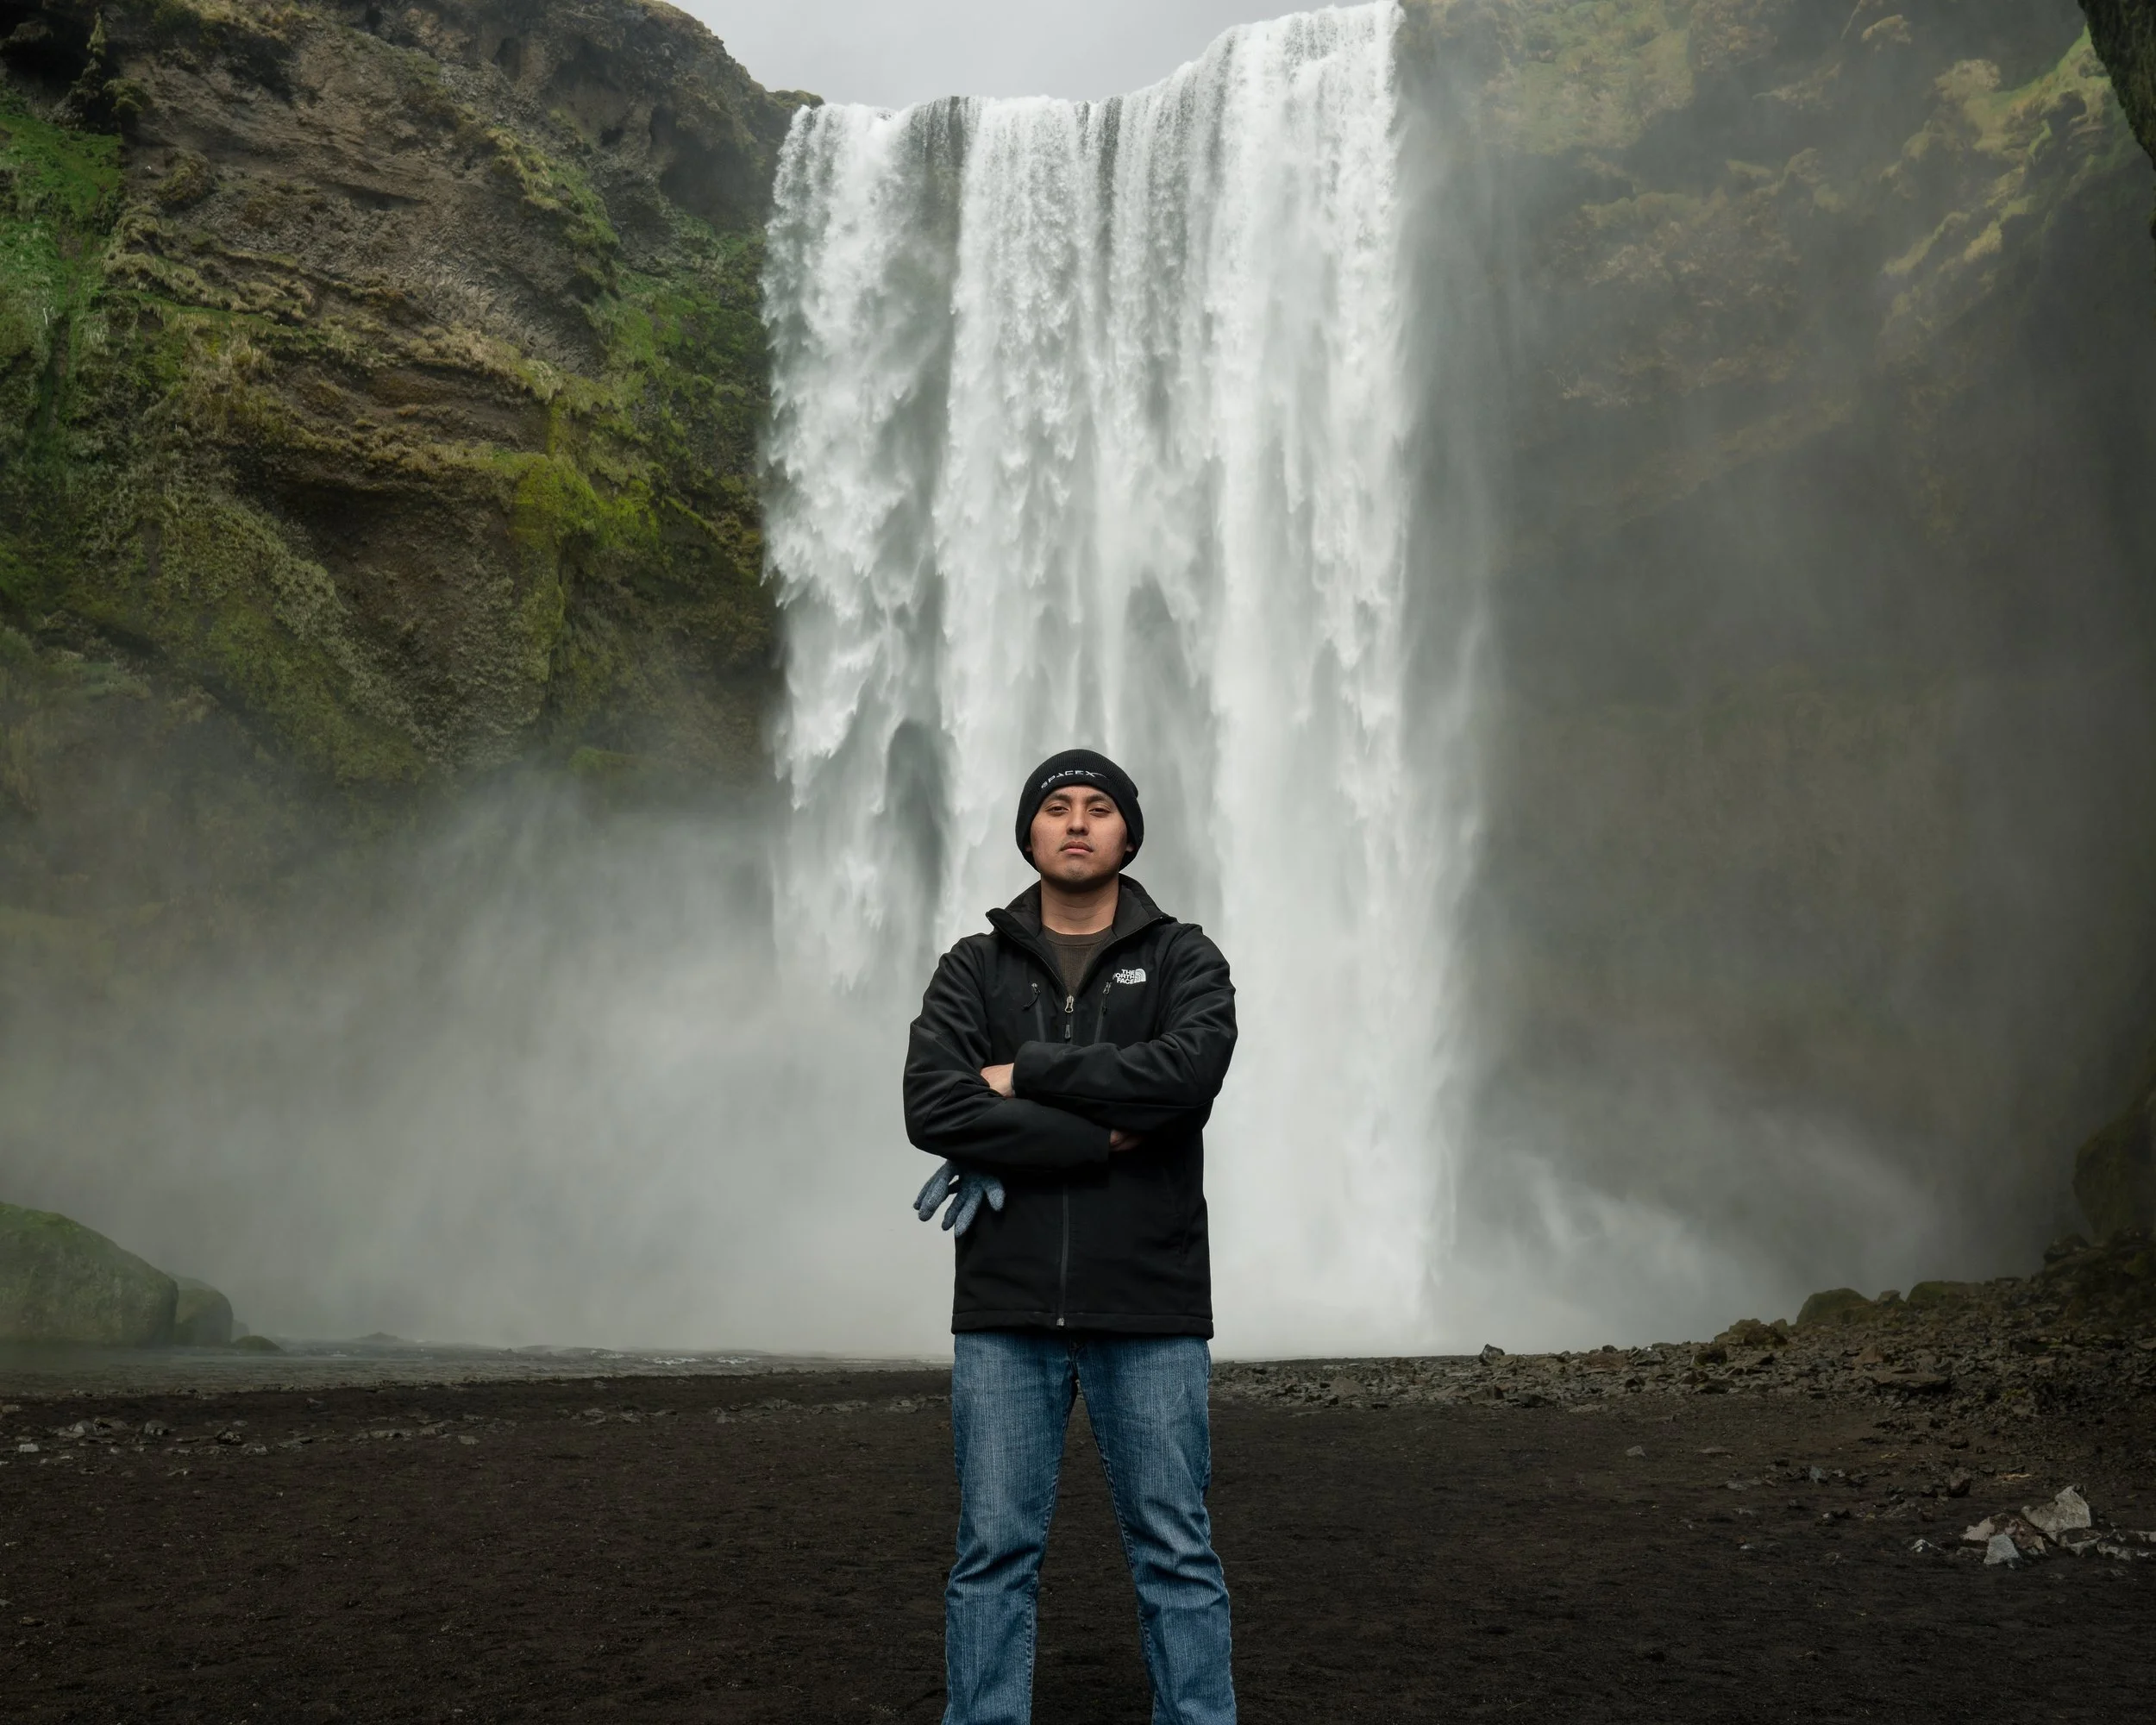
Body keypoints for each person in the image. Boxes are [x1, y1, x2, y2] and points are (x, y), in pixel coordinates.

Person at [905, 749, 1240, 1725]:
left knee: (1176, 1548)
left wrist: (1024, 1071)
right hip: (1006, 1306)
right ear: (1029, 832)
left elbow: (1184, 1080)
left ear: (1128, 834)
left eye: (1100, 807)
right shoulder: (972, 968)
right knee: (990, 1555)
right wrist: (1100, 1133)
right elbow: (935, 1104)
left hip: (1150, 1303)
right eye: (1057, 806)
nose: (1078, 821)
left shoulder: (1185, 958)